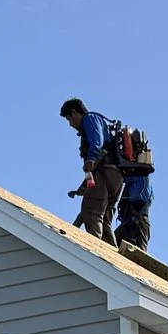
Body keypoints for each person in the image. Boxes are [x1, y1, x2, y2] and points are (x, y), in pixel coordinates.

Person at [60, 97, 126, 242]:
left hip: (105, 172)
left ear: (74, 113)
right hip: (115, 176)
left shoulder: (90, 119)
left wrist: (91, 158)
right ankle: (113, 257)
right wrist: (83, 187)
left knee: (92, 212)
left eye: (69, 119)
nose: (70, 124)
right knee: (105, 220)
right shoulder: (97, 122)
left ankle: (96, 254)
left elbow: (97, 142)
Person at [115, 167, 153, 249]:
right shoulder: (147, 181)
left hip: (135, 222)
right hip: (135, 220)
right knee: (114, 240)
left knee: (132, 247)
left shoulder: (139, 177)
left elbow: (120, 178)